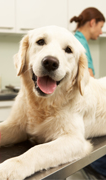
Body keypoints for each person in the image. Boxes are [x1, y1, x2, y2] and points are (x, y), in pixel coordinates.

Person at [70, 7, 106, 179]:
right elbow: (88, 81)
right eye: (100, 26)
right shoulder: (78, 44)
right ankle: (96, 168)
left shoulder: (77, 40)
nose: (101, 31)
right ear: (92, 23)